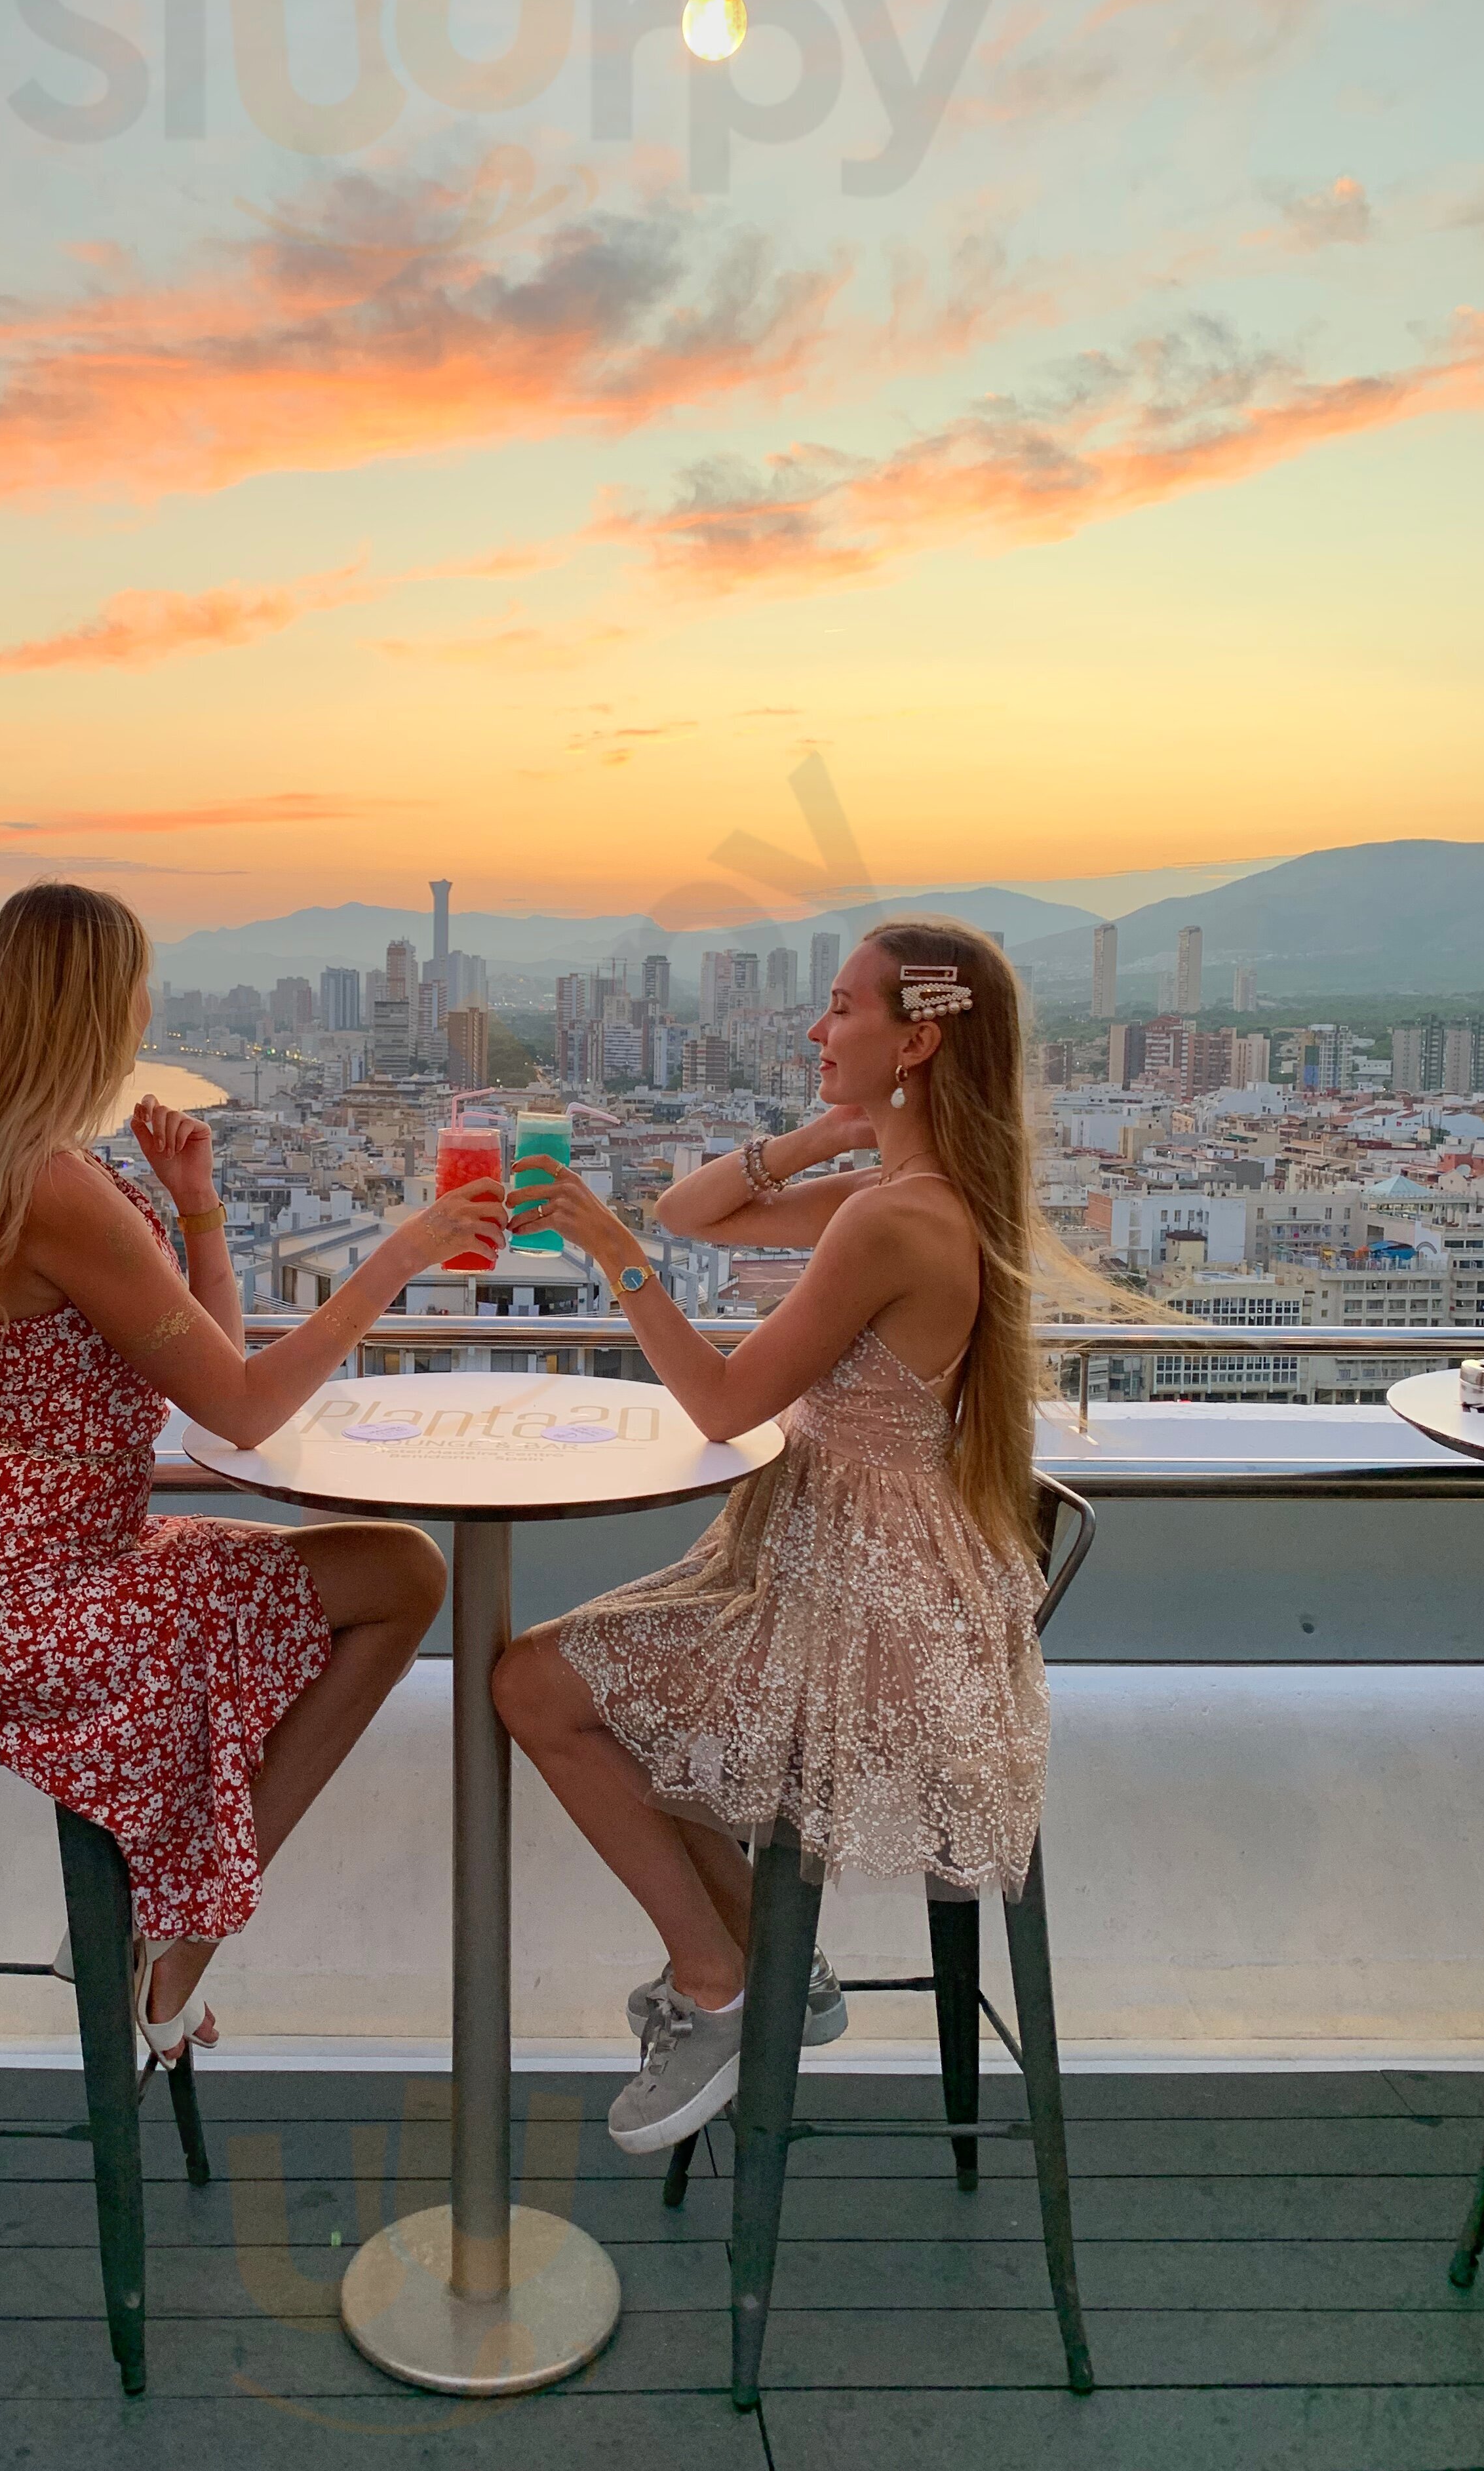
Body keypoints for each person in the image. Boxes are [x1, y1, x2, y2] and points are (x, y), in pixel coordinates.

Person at [0, 883, 505, 2061]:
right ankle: (182, 1930)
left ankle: (167, 1903)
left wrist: (199, 1210)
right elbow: (241, 1406)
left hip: (32, 1568)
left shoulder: (32, 1166)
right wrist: (400, 1257)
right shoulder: (57, 1187)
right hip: (30, 1600)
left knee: (396, 1572)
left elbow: (215, 1376)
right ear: (94, 1004)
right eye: (137, 983)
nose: (149, 1006)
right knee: (401, 1577)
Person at [494, 922, 1066, 2156]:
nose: (817, 1027)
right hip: (855, 1569)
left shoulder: (891, 1221)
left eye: (844, 1008)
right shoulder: (906, 1195)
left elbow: (718, 1402)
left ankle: (720, 1983)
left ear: (916, 1040)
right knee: (580, 1686)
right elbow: (693, 1209)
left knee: (534, 1685)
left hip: (864, 1608)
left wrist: (613, 1257)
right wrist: (828, 1131)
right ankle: (771, 1963)